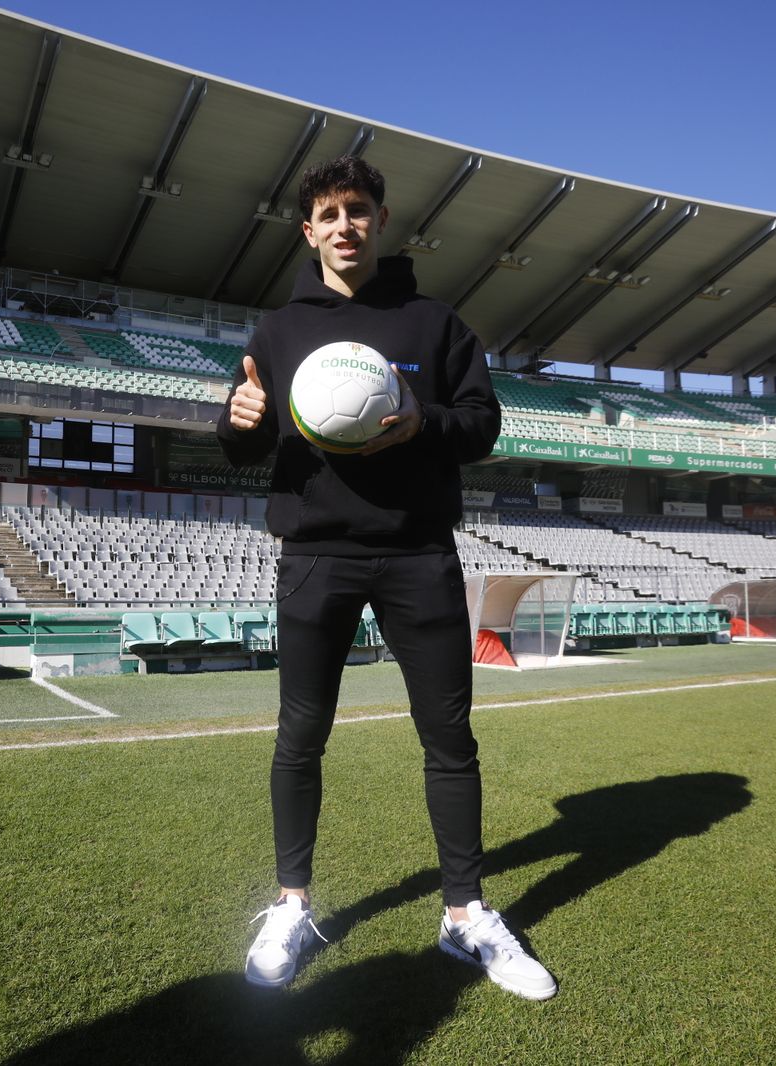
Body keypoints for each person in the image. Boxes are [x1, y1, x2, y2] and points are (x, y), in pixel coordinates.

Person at [217, 156, 556, 1001]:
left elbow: (482, 424)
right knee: (301, 733)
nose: (344, 226)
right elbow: (243, 443)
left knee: (449, 738)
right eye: (328, 214)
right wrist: (235, 421)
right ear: (308, 230)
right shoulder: (278, 331)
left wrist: (421, 423)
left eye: (358, 211)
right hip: (316, 555)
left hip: (417, 554)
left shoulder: (433, 323)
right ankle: (293, 904)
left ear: (380, 219)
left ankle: (465, 916)